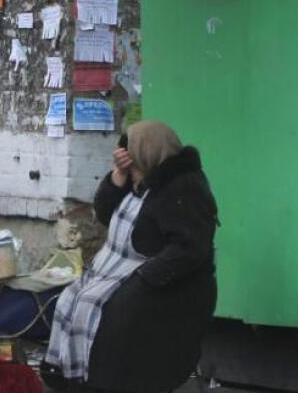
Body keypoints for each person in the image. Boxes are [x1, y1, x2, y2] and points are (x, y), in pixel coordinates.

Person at [43, 120, 218, 393]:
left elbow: (189, 248)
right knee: (71, 298)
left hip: (163, 285)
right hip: (115, 270)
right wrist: (118, 177)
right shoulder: (140, 180)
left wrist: (142, 278)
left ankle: (104, 383)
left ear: (149, 156)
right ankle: (72, 375)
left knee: (108, 310)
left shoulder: (184, 188)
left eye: (133, 163)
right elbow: (103, 213)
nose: (131, 170)